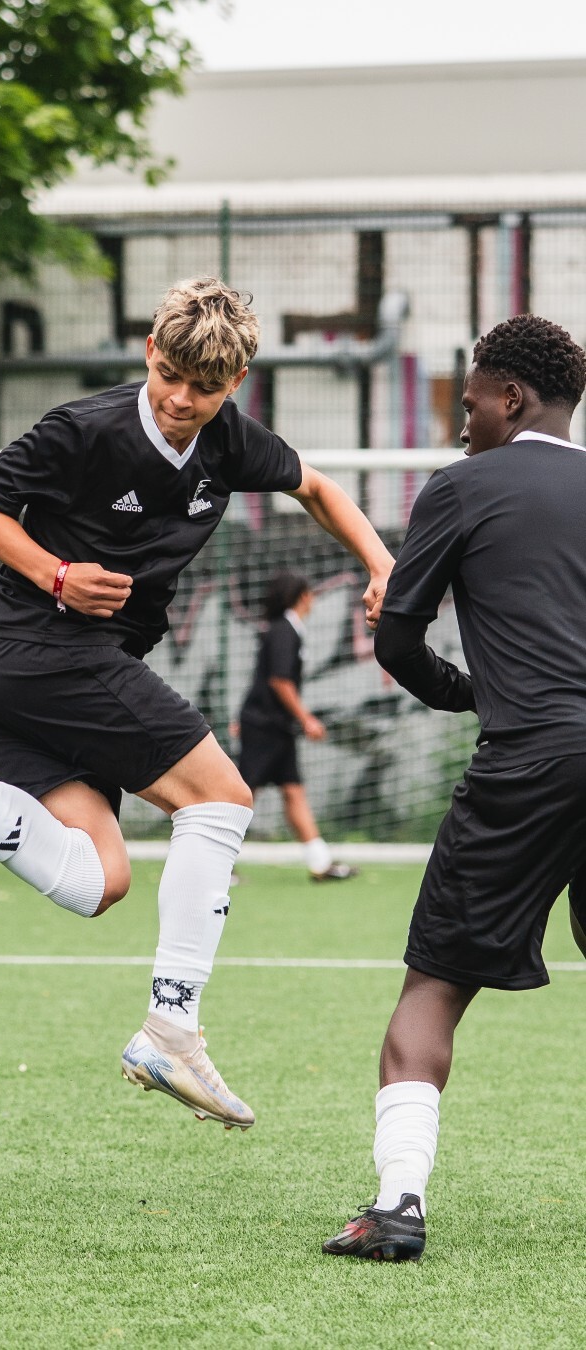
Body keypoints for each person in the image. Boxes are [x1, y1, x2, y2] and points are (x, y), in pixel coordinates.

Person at [0, 277, 393, 1132]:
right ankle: (173, 1030)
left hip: (14, 682)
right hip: (45, 651)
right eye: (173, 377)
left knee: (98, 881)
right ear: (150, 353)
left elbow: (319, 488)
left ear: (235, 384)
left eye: (208, 387)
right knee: (223, 797)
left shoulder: (228, 440)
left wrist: (382, 566)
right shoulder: (85, 428)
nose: (185, 400)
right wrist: (54, 573)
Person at [323, 313, 586, 1262]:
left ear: (508, 396)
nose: (460, 416)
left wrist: (471, 694)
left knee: (434, 984)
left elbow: (397, 637)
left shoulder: (464, 485)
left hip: (532, 758)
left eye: (468, 398)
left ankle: (397, 1209)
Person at [237, 571, 358, 882]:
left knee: (294, 792)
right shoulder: (284, 631)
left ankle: (320, 864)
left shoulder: (287, 630)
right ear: (303, 596)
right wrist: (306, 718)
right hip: (265, 727)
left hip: (277, 728)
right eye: (310, 593)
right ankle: (216, 865)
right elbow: (278, 680)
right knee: (241, 795)